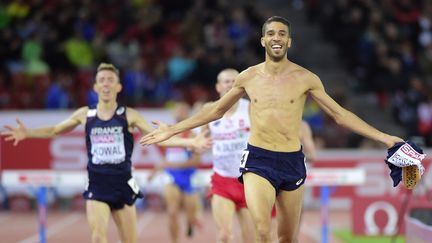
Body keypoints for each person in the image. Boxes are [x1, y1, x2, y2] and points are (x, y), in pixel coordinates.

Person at [140, 16, 403, 243]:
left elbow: (340, 115)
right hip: (258, 159)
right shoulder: (248, 77)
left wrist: (384, 137)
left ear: (289, 41)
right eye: (270, 34)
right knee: (263, 231)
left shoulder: (306, 78)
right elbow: (215, 110)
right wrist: (173, 130)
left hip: (292, 161)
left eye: (282, 34)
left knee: (287, 237)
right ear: (263, 41)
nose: (276, 38)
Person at [1, 63, 211, 243]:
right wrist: (28, 132)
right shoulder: (85, 113)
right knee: (97, 237)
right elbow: (56, 130)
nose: (106, 83)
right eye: (101, 80)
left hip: (123, 183)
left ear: (118, 86)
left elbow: (159, 138)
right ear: (95, 86)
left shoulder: (129, 115)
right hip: (97, 183)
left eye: (110, 80)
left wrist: (192, 141)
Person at [201, 68, 255, 243]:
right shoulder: (209, 109)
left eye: (235, 81)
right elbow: (200, 141)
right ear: (218, 87)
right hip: (222, 180)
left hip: (248, 181)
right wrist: (197, 145)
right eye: (227, 81)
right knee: (224, 236)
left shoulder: (251, 107)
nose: (231, 85)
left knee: (251, 238)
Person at [148, 102, 203, 243]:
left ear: (188, 115)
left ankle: (191, 222)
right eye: (177, 111)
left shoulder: (192, 135)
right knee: (172, 211)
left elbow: (196, 161)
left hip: (188, 176)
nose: (179, 113)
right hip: (171, 176)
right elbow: (167, 157)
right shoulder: (167, 133)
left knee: (191, 215)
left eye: (183, 111)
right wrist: (155, 170)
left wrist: (171, 164)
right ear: (173, 114)